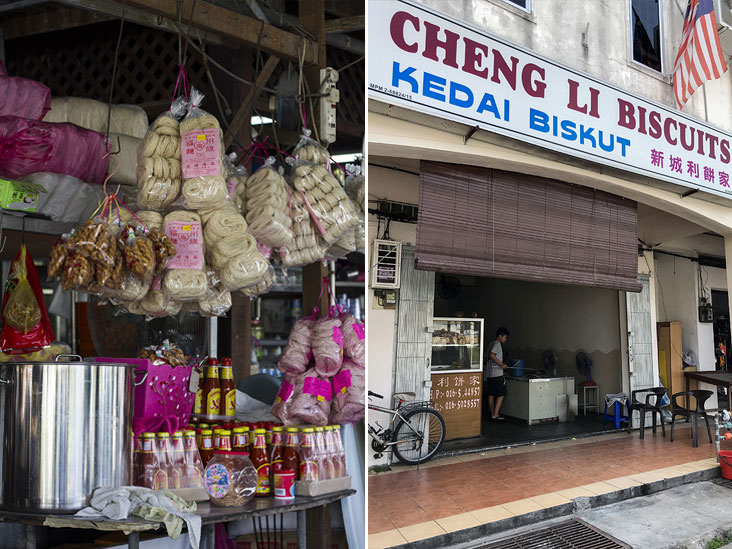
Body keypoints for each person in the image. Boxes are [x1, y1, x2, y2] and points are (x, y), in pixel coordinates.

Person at [485, 327, 510, 421]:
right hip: (497, 374)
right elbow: (492, 355)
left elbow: (487, 355)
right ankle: (495, 414)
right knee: (501, 394)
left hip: (489, 374)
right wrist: (502, 364)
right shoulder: (497, 344)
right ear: (500, 336)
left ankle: (492, 414)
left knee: (491, 395)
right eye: (505, 337)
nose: (505, 339)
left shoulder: (491, 343)